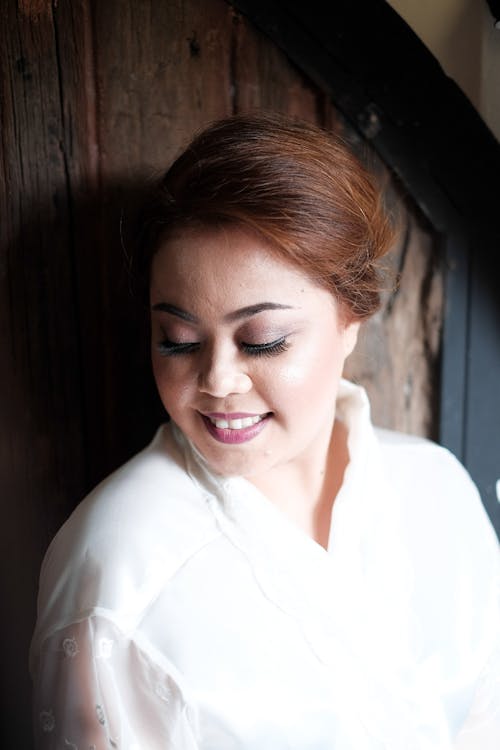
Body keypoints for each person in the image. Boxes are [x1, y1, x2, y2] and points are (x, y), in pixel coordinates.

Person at [30, 113, 499, 749]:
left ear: (351, 318)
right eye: (179, 341)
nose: (218, 378)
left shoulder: (435, 487)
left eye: (263, 341)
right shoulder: (117, 571)